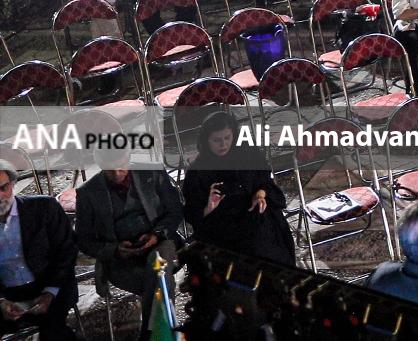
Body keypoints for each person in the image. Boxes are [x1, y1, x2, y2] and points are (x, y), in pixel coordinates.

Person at [75, 164, 182, 329]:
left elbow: (175, 210)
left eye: (120, 166)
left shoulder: (151, 172)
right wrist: (115, 250)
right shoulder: (88, 192)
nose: (116, 173)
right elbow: (84, 240)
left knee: (159, 262)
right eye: (110, 168)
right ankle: (159, 334)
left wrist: (156, 234)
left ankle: (153, 334)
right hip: (121, 260)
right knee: (160, 280)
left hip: (159, 243)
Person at [180, 112, 294, 266]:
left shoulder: (247, 153)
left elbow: (264, 179)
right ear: (207, 141)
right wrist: (209, 207)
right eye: (217, 140)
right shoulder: (198, 171)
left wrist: (260, 194)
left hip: (254, 217)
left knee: (266, 245)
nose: (223, 144)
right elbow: (192, 213)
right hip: (222, 227)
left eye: (227, 138)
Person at [0, 163, 78, 341]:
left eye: (3, 188)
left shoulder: (44, 208)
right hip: (6, 292)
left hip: (50, 285)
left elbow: (67, 251)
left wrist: (49, 293)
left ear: (12, 184)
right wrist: (1, 301)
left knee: (55, 334)